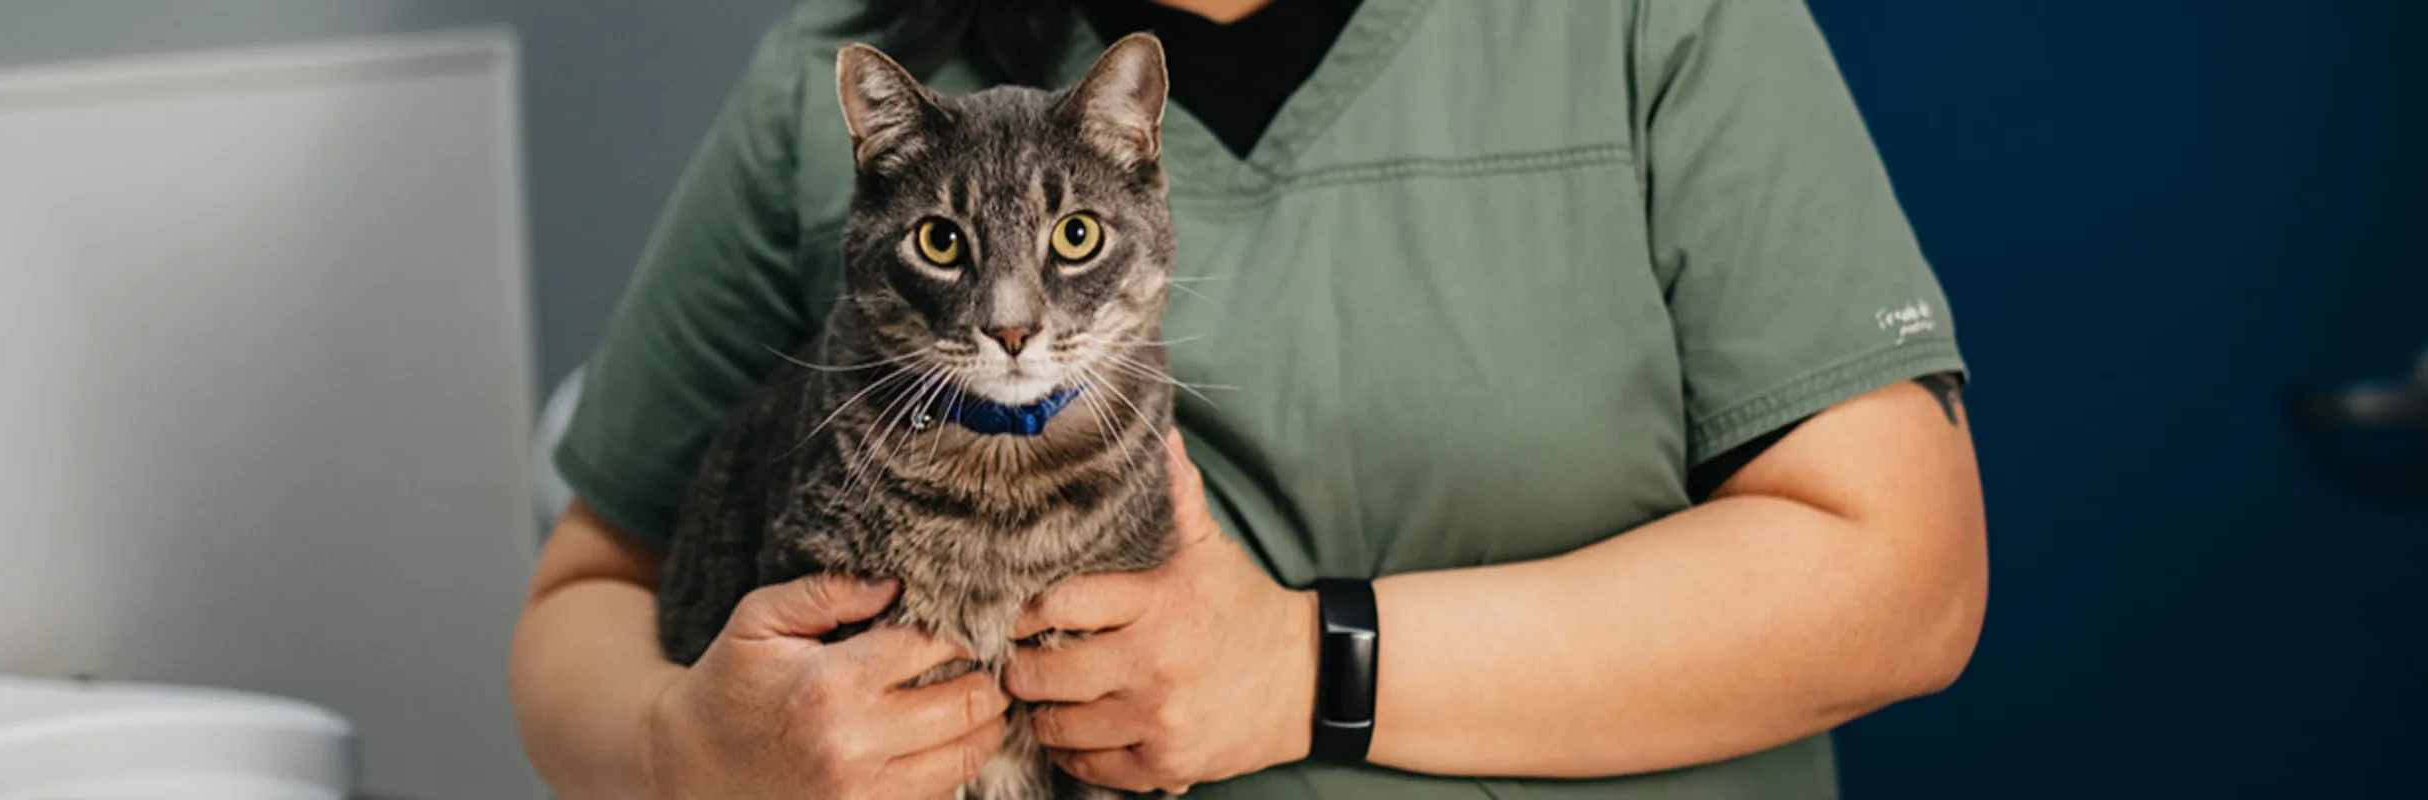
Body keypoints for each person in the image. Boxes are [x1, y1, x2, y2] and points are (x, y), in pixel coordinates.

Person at [508, 0, 1989, 797]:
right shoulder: (833, 70)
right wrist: (681, 757)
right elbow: (586, 590)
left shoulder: (1651, 19)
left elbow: (1905, 575)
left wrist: (1307, 666)